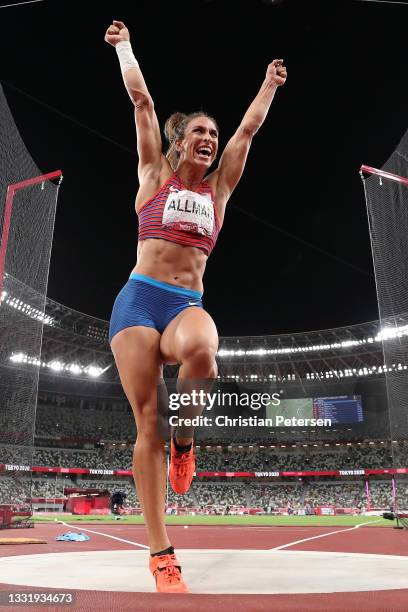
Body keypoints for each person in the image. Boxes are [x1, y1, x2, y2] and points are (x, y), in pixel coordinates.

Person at [104, 19, 287, 593]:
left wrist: (269, 85)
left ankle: (188, 443)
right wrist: (125, 46)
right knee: (146, 427)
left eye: (215, 133)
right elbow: (140, 99)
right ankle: (161, 555)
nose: (210, 138)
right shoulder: (153, 172)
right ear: (179, 141)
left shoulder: (220, 189)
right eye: (200, 132)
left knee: (204, 351)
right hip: (137, 301)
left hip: (185, 303)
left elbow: (249, 133)